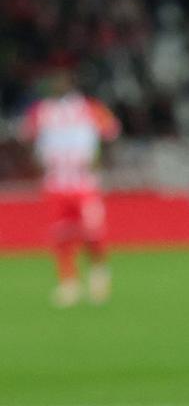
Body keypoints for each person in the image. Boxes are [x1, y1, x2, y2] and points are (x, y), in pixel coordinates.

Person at [20, 69, 120, 308]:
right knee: (61, 235)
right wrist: (38, 161)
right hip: (56, 183)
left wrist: (99, 160)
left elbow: (111, 133)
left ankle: (98, 275)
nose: (59, 86)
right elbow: (27, 137)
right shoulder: (41, 111)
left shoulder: (90, 108)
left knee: (92, 233)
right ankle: (69, 283)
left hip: (84, 183)